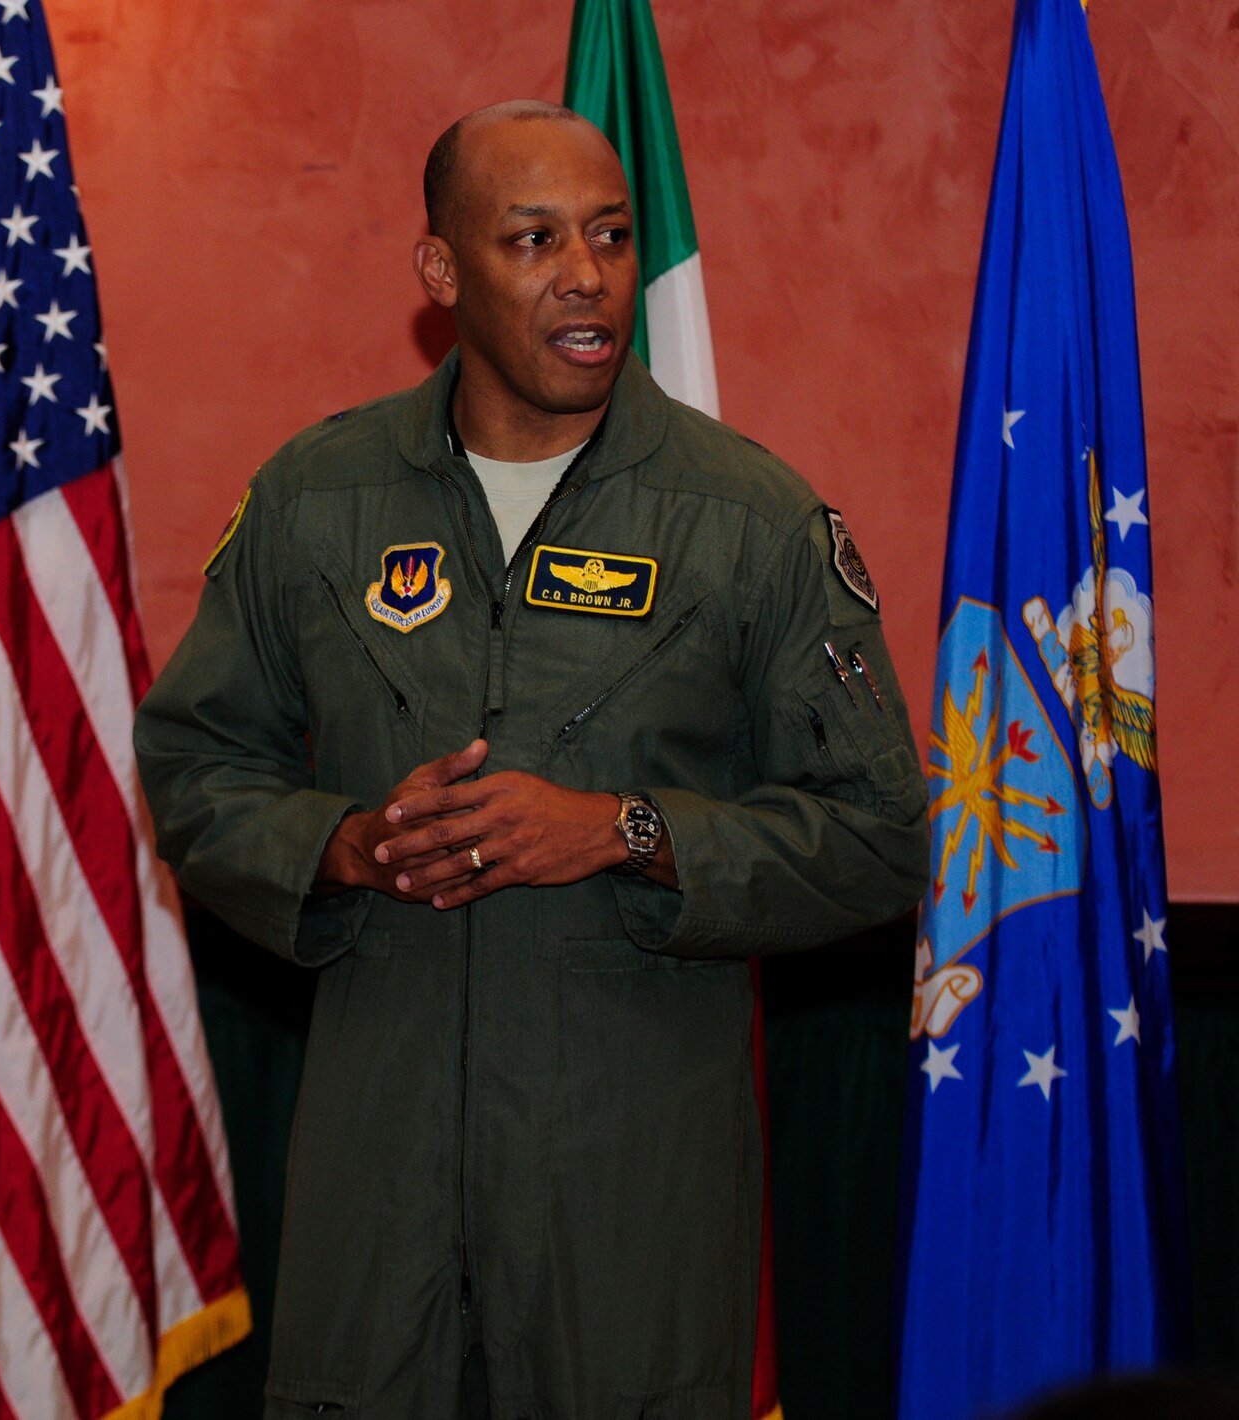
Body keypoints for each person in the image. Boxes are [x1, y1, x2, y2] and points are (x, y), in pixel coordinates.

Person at [134, 101, 930, 1419]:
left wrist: (632, 832)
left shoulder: (749, 520)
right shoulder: (315, 500)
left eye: (612, 237)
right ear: (442, 272)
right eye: (535, 238)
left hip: (630, 1215)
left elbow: (881, 834)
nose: (586, 274)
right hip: (373, 1203)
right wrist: (341, 847)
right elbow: (192, 768)